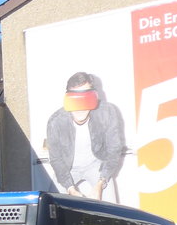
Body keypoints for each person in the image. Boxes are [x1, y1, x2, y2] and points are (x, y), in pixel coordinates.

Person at [45, 71, 126, 200]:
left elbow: (114, 149)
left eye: (86, 98)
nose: (80, 108)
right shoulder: (56, 122)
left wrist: (101, 182)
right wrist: (70, 188)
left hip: (96, 164)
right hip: (68, 168)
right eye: (76, 100)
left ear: (94, 97)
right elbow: (56, 159)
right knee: (52, 204)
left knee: (112, 208)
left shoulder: (108, 112)